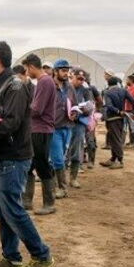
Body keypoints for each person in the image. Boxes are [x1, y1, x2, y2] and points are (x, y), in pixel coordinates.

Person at [0, 41, 54, 267]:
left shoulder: (16, 87)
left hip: (13, 157)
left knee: (13, 210)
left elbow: (10, 123)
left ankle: (41, 255)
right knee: (1, 211)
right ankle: (11, 258)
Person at [21, 54, 56, 215]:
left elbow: (37, 109)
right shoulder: (43, 82)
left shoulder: (45, 81)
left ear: (31, 66)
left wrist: (21, 109)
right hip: (36, 129)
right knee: (29, 165)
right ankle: (27, 201)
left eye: (27, 69)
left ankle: (49, 203)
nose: (27, 73)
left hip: (41, 130)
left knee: (42, 165)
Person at [67, 69, 101, 179]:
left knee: (78, 147)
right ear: (72, 77)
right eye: (79, 78)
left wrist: (84, 109)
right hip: (65, 122)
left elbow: (90, 105)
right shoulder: (65, 88)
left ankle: (74, 175)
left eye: (83, 79)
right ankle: (61, 178)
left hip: (79, 123)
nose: (81, 81)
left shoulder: (86, 90)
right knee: (63, 148)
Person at [50, 59, 75, 197]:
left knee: (62, 158)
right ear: (55, 71)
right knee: (58, 158)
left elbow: (75, 104)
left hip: (67, 127)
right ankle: (61, 188)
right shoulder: (49, 86)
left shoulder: (69, 87)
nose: (66, 73)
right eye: (63, 71)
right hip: (53, 128)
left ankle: (58, 187)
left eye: (67, 71)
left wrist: (75, 113)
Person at [100, 76, 134, 168]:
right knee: (114, 138)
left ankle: (120, 161)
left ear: (108, 84)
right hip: (121, 118)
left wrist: (117, 111)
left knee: (115, 139)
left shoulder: (107, 92)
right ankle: (113, 159)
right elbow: (133, 101)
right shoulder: (123, 90)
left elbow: (109, 105)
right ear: (117, 83)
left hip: (112, 118)